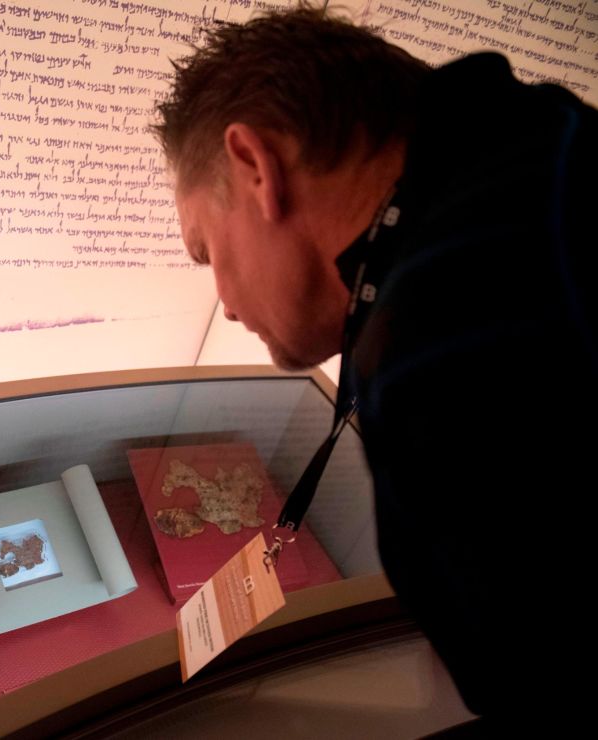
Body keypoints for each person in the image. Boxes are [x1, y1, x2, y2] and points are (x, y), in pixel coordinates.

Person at [153, 5, 596, 730]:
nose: (226, 306)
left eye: (207, 253)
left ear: (255, 166)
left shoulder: (446, 345)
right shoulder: (534, 145)